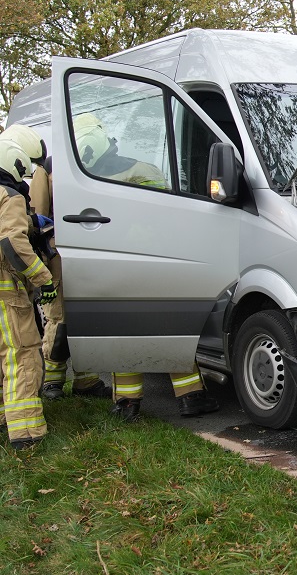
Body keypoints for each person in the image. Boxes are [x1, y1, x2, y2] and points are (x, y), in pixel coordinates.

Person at [70, 113, 220, 420]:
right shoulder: (143, 169)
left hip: (113, 269)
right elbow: (168, 217)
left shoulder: (87, 183)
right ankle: (191, 397)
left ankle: (127, 403)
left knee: (124, 332)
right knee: (169, 329)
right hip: (153, 264)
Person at [30, 156, 112, 400]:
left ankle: (86, 380)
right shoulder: (49, 167)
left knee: (87, 316)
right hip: (60, 252)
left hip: (91, 248)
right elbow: (39, 216)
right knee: (60, 317)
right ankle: (53, 381)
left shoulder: (98, 164)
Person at [0, 125, 58, 450]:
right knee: (22, 356)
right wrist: (42, 276)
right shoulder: (8, 195)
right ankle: (26, 435)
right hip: (6, 294)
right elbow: (10, 241)